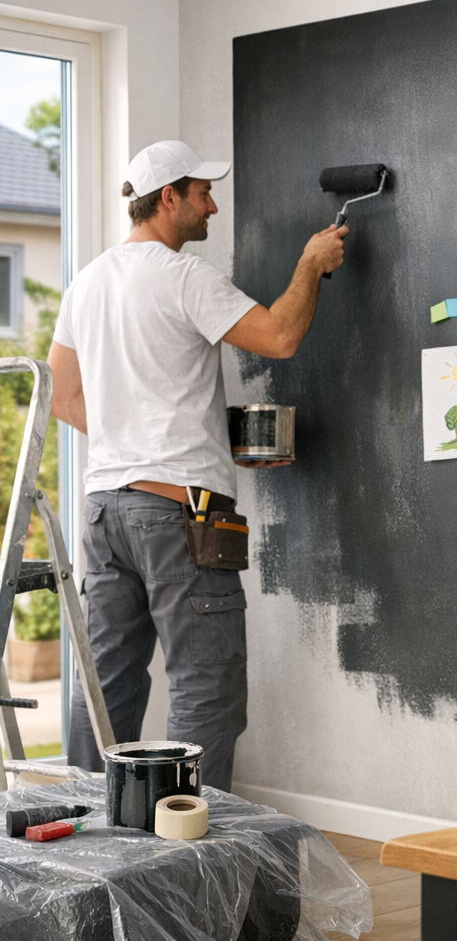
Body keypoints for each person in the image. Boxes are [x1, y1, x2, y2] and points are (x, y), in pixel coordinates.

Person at [48, 140, 347, 790]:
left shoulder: (88, 281)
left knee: (104, 687)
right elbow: (280, 336)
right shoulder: (182, 276)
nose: (212, 205)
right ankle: (192, 859)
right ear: (168, 198)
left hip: (104, 509)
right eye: (202, 192)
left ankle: (84, 842)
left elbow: (63, 397)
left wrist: (145, 431)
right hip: (176, 512)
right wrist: (310, 263)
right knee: (207, 687)